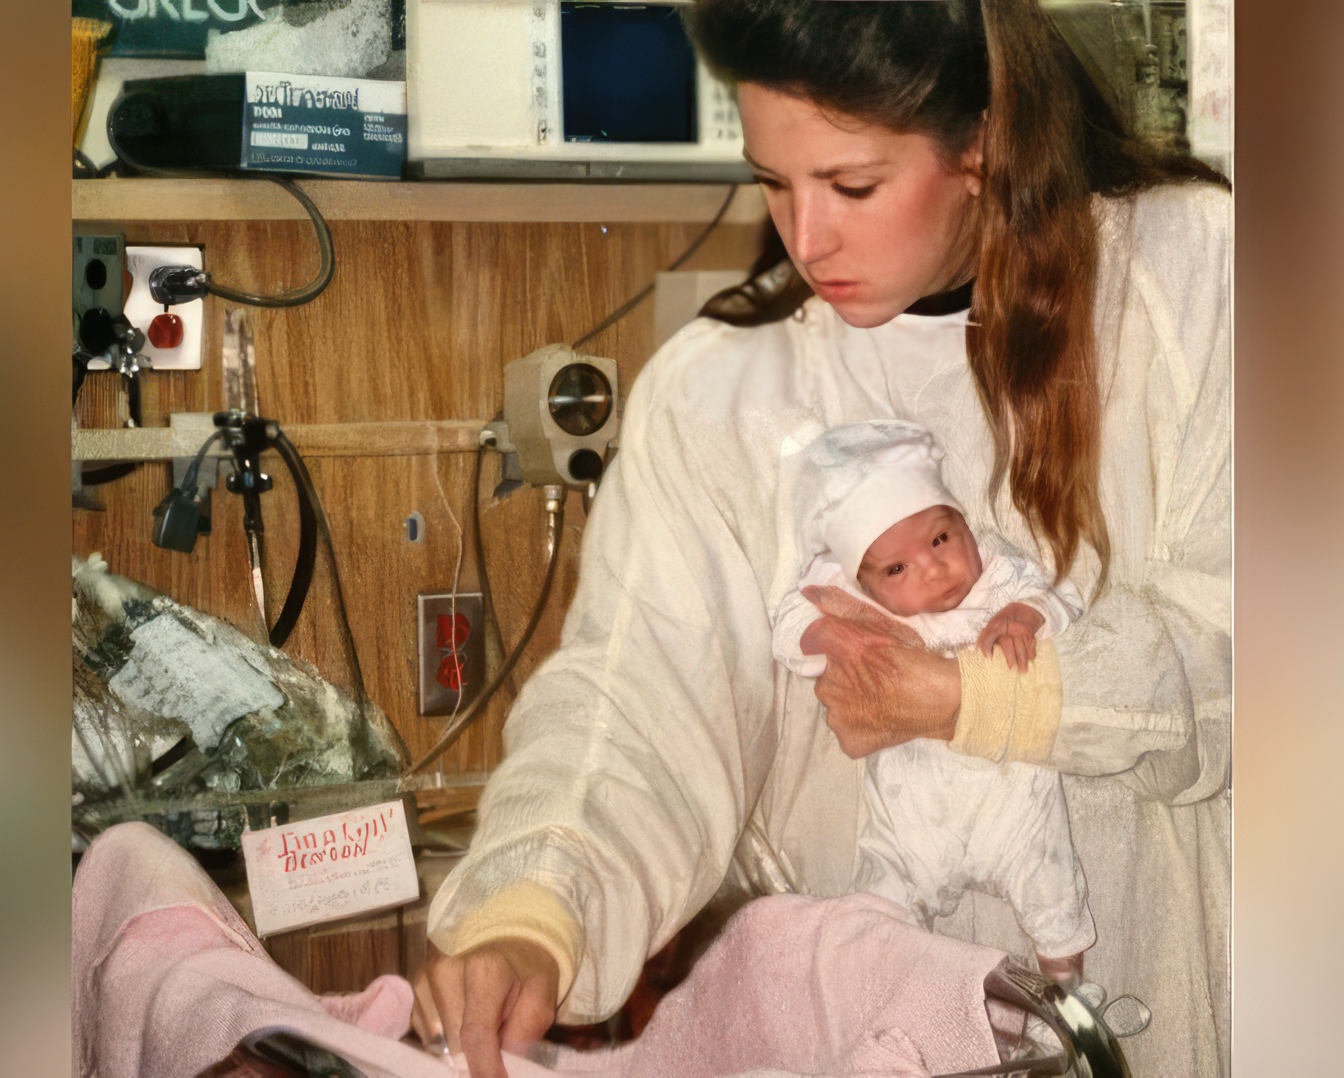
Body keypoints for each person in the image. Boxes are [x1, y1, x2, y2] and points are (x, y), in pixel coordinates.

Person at [416, 1, 1233, 1076]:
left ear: (982, 140)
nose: (807, 239)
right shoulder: (726, 390)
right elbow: (637, 700)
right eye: (772, 180)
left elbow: (1260, 644)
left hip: (1142, 999)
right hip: (855, 1033)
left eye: (852, 185)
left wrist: (979, 696)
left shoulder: (1182, 278)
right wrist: (535, 907)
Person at [768, 418, 1093, 986]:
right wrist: (829, 636)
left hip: (1014, 806)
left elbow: (1065, 593)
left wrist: (1027, 614)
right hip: (910, 820)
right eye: (898, 569)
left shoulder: (999, 574)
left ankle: (1066, 1000)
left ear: (963, 523)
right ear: (864, 583)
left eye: (941, 539)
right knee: (877, 914)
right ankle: (889, 1016)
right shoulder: (859, 600)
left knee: (1053, 899)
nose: (934, 568)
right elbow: (790, 618)